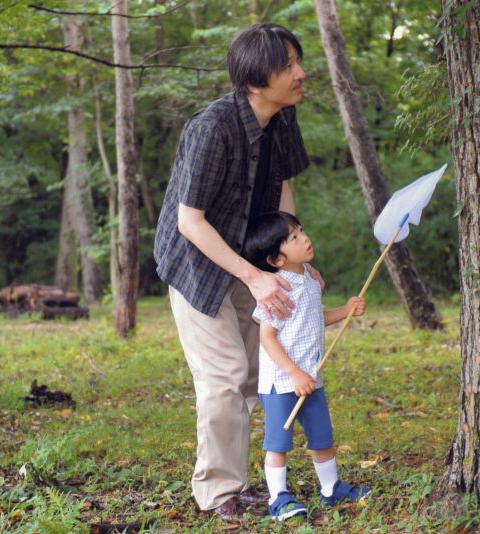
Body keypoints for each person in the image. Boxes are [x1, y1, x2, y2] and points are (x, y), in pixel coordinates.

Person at [153, 24, 321, 523]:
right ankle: (217, 490)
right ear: (254, 77)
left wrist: (296, 264)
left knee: (254, 374)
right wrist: (254, 277)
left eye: (298, 61)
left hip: (258, 263)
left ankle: (241, 483)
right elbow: (190, 222)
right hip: (196, 263)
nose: (300, 73)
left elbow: (283, 193)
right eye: (288, 65)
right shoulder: (212, 128)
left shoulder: (283, 120)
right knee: (223, 376)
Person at [243, 211, 371, 521]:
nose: (305, 237)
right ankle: (279, 496)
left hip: (311, 376)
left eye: (301, 230)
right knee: (278, 442)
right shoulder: (275, 288)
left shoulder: (310, 278)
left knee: (321, 436)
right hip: (281, 380)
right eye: (295, 237)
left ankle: (331, 487)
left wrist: (346, 310)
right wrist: (293, 372)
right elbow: (268, 337)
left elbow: (315, 318)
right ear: (275, 259)